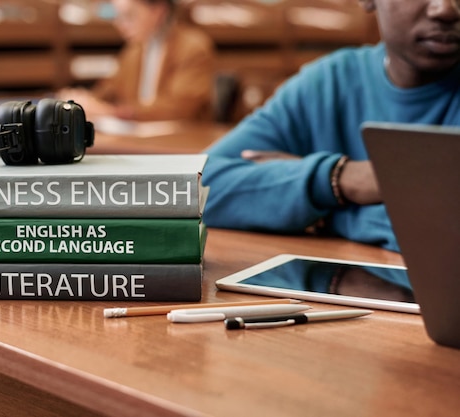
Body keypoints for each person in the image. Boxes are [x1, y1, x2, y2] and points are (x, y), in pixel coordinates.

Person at [201, 0, 460, 252]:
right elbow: (197, 189)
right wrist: (340, 177)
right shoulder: (331, 80)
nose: (446, 8)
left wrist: (321, 211)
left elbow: (446, 234)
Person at [58, 0, 215, 121]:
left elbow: (180, 108)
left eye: (129, 16)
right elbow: (109, 89)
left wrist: (112, 112)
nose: (120, 25)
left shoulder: (192, 47)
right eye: (117, 16)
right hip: (137, 138)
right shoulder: (134, 50)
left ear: (158, 10)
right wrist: (83, 100)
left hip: (183, 143)